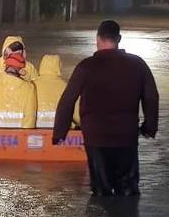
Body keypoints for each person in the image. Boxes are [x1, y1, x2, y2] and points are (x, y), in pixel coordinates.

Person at [53, 20, 159, 196]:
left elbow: (67, 100)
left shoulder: (86, 67)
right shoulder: (137, 64)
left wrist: (59, 133)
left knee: (101, 193)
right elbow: (151, 97)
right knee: (129, 192)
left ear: (98, 39)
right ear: (119, 39)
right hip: (126, 137)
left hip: (96, 138)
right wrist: (150, 128)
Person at [33, 55, 80, 128]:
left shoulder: (32, 85)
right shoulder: (66, 87)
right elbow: (79, 116)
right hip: (59, 131)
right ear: (59, 68)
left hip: (35, 130)